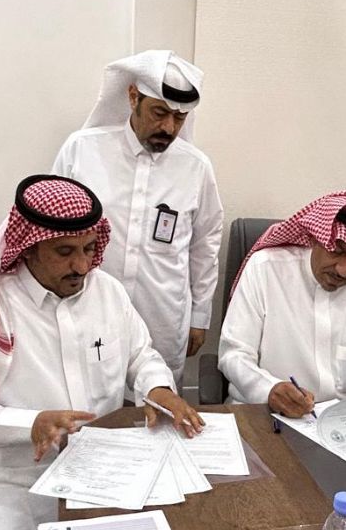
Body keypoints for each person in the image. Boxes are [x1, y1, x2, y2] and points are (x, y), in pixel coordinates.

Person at [0, 174, 203, 530]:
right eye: (65, 252)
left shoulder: (107, 292)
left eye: (89, 248)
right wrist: (30, 424)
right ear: (28, 248)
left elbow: (141, 355)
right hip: (14, 477)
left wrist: (157, 387)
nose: (82, 265)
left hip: (106, 465)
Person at [51, 50, 224, 387]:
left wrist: (200, 316)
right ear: (133, 97)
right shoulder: (82, 150)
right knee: (89, 397)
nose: (168, 127)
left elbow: (205, 245)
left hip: (162, 316)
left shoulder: (196, 167)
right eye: (159, 113)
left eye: (179, 118)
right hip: (88, 309)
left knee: (156, 401)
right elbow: (51, 231)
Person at [218, 191, 346, 430]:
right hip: (266, 417)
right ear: (314, 237)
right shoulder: (266, 269)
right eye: (337, 251)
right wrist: (269, 389)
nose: (344, 270)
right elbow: (234, 354)